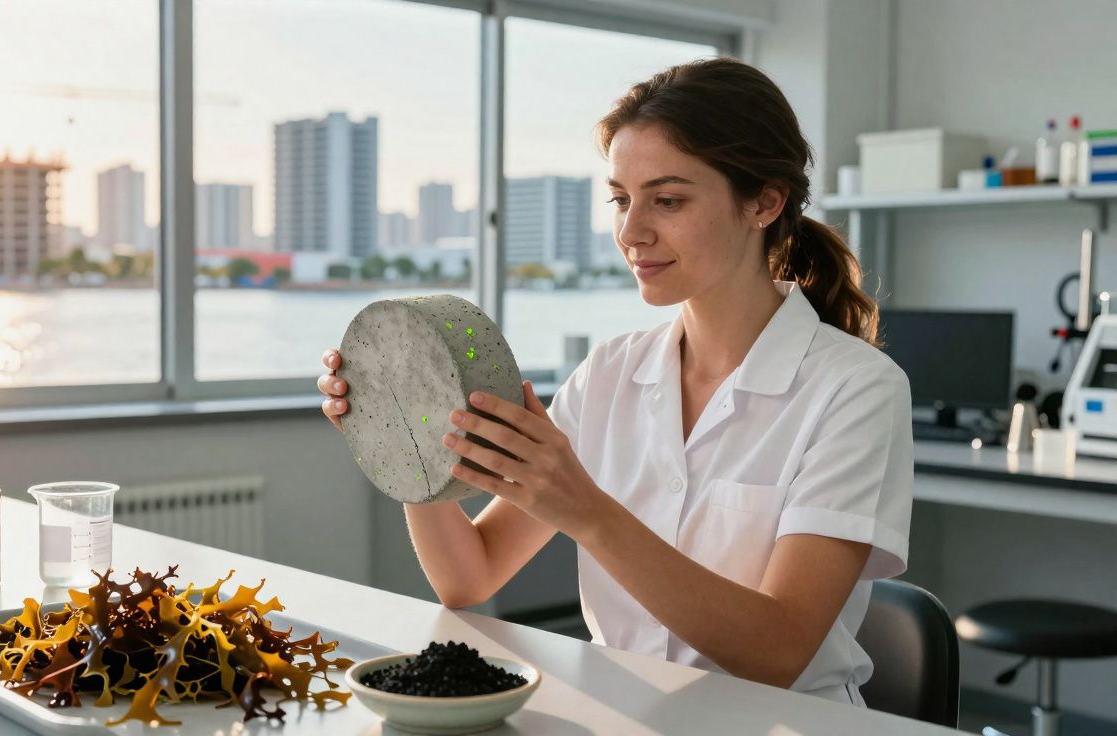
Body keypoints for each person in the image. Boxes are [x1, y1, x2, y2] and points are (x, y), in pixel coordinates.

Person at [317, 57, 912, 706]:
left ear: (765, 202)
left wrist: (588, 512)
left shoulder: (857, 389)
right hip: (625, 717)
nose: (631, 232)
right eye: (621, 200)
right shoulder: (608, 373)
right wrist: (409, 436)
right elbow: (470, 574)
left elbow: (779, 651)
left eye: (668, 199)